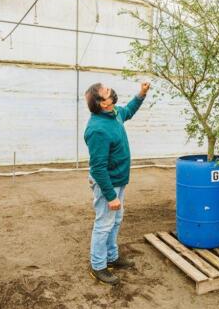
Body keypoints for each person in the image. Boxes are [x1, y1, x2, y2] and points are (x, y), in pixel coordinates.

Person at [84, 81, 150, 285]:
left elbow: (128, 110)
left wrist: (141, 94)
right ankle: (98, 266)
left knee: (116, 220)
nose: (110, 90)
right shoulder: (97, 130)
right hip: (108, 184)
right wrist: (110, 196)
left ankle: (111, 257)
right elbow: (98, 168)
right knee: (104, 224)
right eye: (106, 91)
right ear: (102, 103)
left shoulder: (114, 114)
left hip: (119, 180)